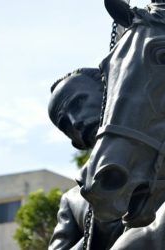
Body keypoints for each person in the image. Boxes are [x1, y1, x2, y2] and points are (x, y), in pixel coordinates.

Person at [48, 68, 124, 250]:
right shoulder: (74, 202)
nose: (75, 122)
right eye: (65, 125)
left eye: (79, 102)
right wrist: (98, 231)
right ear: (76, 143)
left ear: (112, 91)